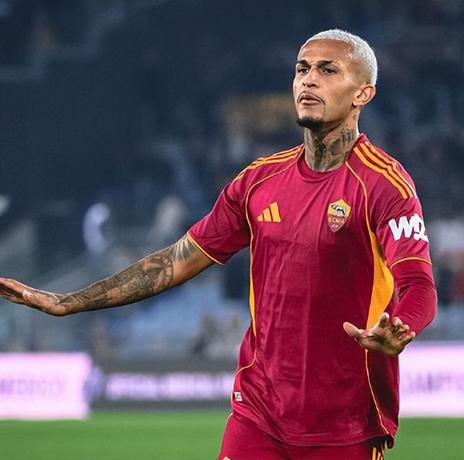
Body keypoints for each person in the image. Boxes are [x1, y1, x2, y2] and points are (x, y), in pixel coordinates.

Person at [0, 29, 437, 460]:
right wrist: (68, 302)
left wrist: (400, 326)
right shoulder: (258, 181)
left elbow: (419, 285)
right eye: (302, 69)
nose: (308, 80)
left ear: (363, 93)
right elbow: (173, 262)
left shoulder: (384, 185)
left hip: (345, 425)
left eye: (327, 70)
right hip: (258, 415)